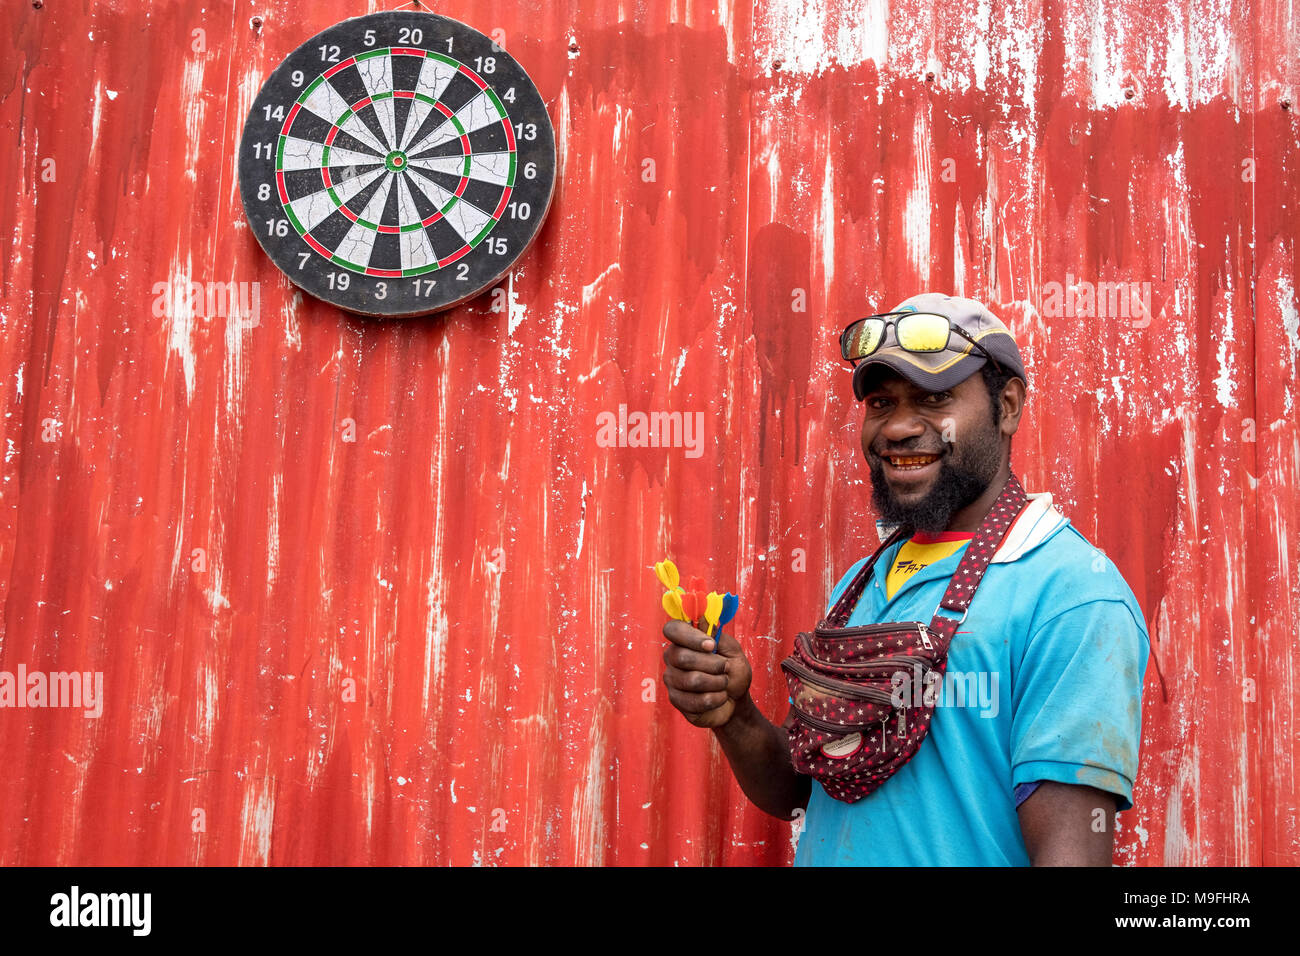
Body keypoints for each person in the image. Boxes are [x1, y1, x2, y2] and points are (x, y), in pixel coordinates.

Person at [661, 292, 1149, 866]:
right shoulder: (864, 582)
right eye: (881, 403)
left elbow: (1070, 856)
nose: (896, 428)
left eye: (935, 398)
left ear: (1008, 405)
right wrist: (734, 713)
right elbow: (799, 789)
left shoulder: (1069, 594)